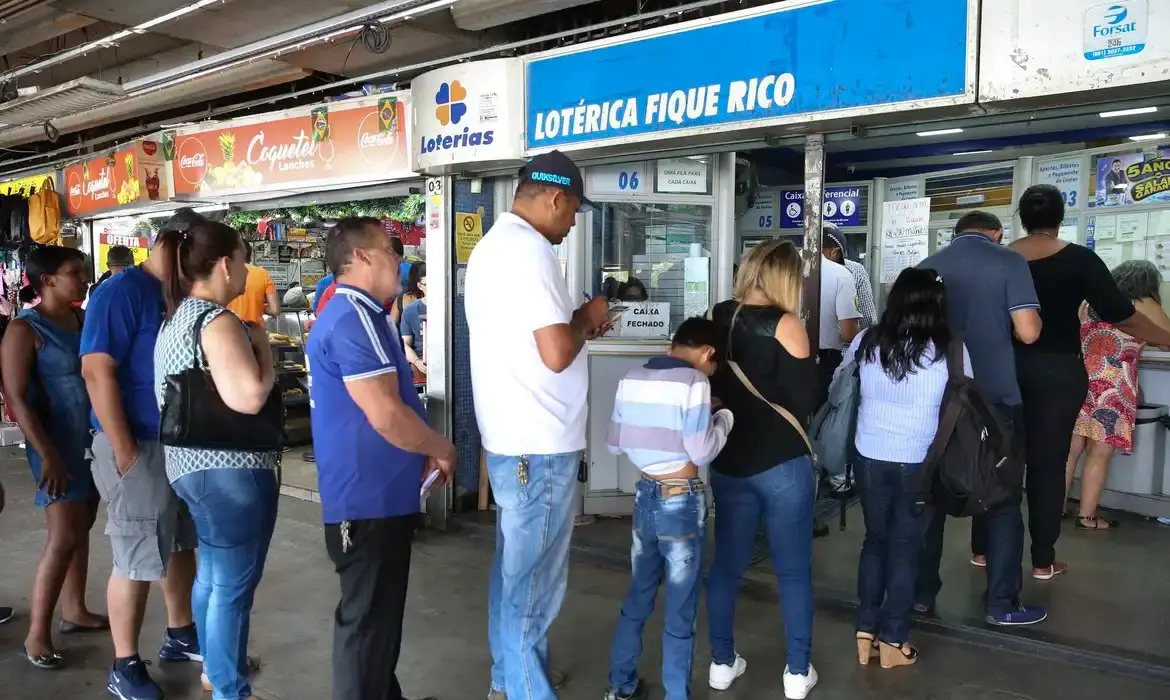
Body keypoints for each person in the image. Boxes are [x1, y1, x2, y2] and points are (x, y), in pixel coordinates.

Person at [464, 150, 609, 700]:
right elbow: (554, 352)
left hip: (511, 441)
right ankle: (526, 686)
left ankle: (511, 676)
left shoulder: (491, 248)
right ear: (555, 198)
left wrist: (576, 326)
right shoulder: (530, 253)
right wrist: (588, 317)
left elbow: (535, 346)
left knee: (516, 575)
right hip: (539, 446)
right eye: (573, 210)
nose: (573, 222)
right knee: (534, 592)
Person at [307, 217, 456, 700]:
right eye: (391, 250)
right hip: (366, 502)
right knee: (366, 626)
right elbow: (386, 414)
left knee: (378, 622)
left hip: (381, 497)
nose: (400, 259)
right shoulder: (351, 317)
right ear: (362, 257)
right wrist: (440, 446)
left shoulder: (369, 314)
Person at [1010, 184, 1170, 576]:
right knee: (1050, 463)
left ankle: (982, 553)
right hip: (1058, 371)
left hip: (1004, 367)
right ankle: (1043, 561)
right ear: (1060, 218)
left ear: (1021, 218)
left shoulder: (1001, 259)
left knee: (1001, 461)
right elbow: (1122, 313)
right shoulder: (1079, 259)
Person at [154, 221, 279, 699]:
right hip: (231, 474)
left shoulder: (175, 320)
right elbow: (249, 397)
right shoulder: (217, 321)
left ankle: (215, 670)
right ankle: (230, 687)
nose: (248, 269)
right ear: (225, 265)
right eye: (245, 259)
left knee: (213, 577)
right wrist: (263, 352)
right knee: (232, 587)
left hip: (190, 469)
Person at [81, 232, 199, 699]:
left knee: (180, 544)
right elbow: (96, 369)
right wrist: (124, 445)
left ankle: (180, 634)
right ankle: (123, 664)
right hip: (136, 444)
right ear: (170, 247)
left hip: (173, 443)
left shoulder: (177, 292)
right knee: (137, 555)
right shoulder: (121, 291)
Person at [915, 209, 1045, 626]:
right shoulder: (1009, 261)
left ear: (955, 235)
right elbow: (1028, 331)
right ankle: (1001, 604)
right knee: (1003, 498)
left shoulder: (926, 266)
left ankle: (920, 596)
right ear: (996, 233)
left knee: (930, 495)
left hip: (936, 400)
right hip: (996, 400)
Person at [705, 240, 819, 700]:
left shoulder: (717, 316)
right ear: (787, 279)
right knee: (792, 571)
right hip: (783, 463)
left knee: (727, 566)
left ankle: (720, 663)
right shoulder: (787, 324)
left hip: (729, 459)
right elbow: (806, 399)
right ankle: (796, 673)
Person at [842, 268, 971, 670]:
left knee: (875, 542)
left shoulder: (867, 341)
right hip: (921, 461)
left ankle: (866, 631)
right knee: (904, 548)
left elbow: (838, 387)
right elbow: (967, 400)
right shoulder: (950, 348)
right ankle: (894, 639)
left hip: (869, 455)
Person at [603, 317, 733, 700]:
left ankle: (620, 686)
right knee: (680, 608)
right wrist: (722, 417)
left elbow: (614, 444)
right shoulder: (695, 383)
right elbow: (702, 450)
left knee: (638, 596)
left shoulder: (631, 376)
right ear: (707, 353)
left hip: (645, 496)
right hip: (681, 501)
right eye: (714, 365)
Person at [0, 246, 106, 670]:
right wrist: (47, 457)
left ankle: (75, 610)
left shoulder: (82, 319)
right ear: (46, 280)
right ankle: (36, 635)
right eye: (75, 273)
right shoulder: (24, 330)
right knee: (63, 536)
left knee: (82, 527)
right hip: (53, 445)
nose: (83, 279)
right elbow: (17, 399)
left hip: (91, 440)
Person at [1067, 260, 1170, 530]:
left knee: (1069, 450)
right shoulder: (1143, 303)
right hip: (1111, 384)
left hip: (1078, 376)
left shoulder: (1092, 303)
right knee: (1099, 452)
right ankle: (1087, 517)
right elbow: (1166, 337)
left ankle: (1053, 509)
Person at [816, 232, 863, 407]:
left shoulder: (786, 267)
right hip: (824, 363)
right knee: (820, 419)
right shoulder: (841, 274)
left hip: (782, 356)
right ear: (835, 252)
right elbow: (849, 334)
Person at [822, 226, 876, 330]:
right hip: (844, 344)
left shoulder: (793, 268)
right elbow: (868, 319)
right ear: (834, 252)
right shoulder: (853, 271)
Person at [225, 240, 279, 327]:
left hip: (230, 330)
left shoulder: (224, 273)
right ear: (249, 255)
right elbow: (274, 310)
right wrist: (259, 305)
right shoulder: (263, 274)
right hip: (255, 332)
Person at [398, 262, 427, 375]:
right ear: (420, 286)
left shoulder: (450, 308)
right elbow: (405, 344)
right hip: (421, 359)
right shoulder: (411, 310)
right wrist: (417, 362)